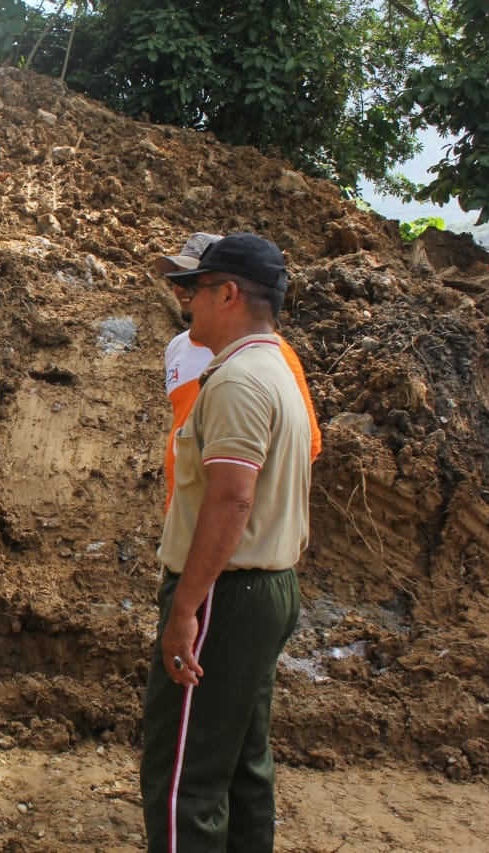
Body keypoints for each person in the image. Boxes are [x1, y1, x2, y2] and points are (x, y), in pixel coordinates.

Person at [140, 233, 311, 851]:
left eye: (198, 290)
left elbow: (231, 500)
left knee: (185, 776)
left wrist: (186, 607)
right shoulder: (274, 367)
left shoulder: (239, 380)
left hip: (224, 596)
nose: (187, 304)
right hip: (262, 588)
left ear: (230, 294)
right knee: (242, 762)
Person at [156, 233, 322, 512]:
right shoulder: (177, 348)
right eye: (177, 279)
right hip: (185, 514)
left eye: (191, 280)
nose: (181, 290)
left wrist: (240, 509)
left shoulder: (269, 353)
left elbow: (308, 445)